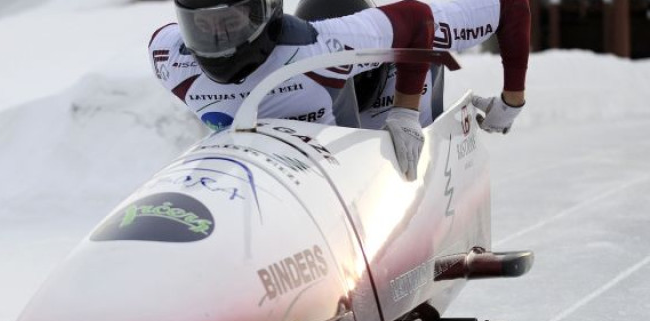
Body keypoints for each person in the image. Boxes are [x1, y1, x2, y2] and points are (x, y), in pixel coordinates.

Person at [148, 0, 529, 180]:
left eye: (229, 23)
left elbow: (502, 7)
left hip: (356, 159)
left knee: (419, 72)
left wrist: (406, 112)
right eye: (202, 26)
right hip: (260, 182)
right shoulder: (169, 56)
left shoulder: (322, 48)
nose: (219, 40)